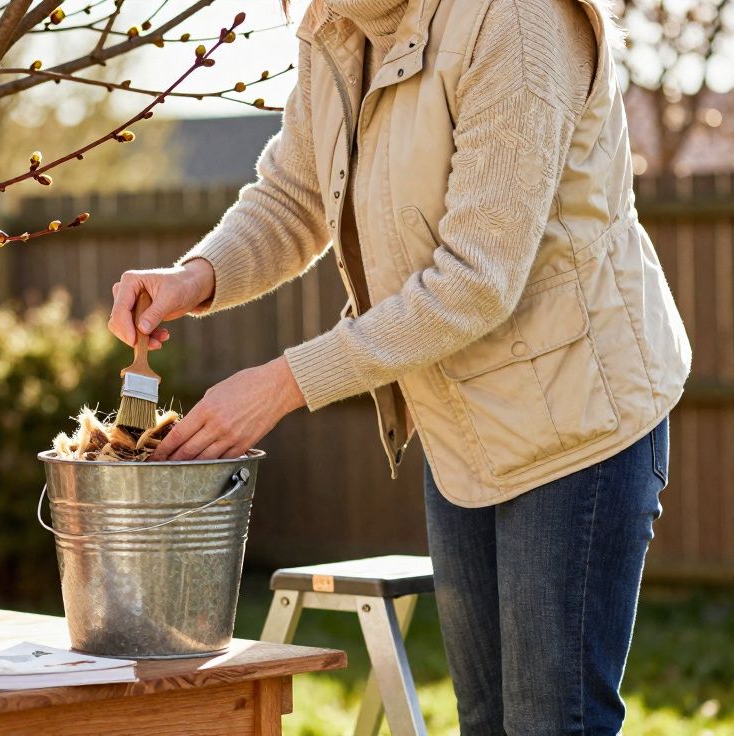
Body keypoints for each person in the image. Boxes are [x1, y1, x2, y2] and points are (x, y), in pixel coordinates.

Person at [107, 0, 691, 733]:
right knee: (484, 720)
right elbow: (297, 193)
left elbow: (476, 279)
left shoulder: (516, 21)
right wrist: (197, 276)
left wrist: (282, 384)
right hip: (463, 429)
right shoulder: (339, 25)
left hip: (578, 423)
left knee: (552, 721)